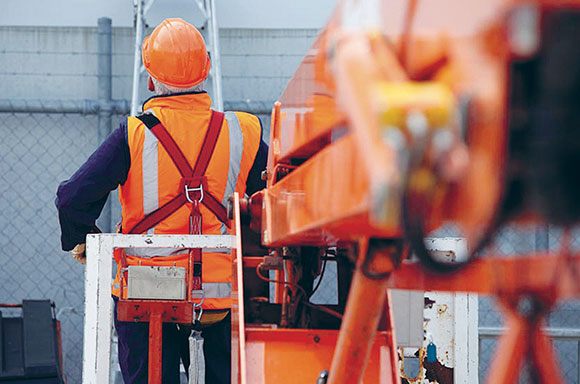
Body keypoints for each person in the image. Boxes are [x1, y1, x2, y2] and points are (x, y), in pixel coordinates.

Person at [56, 18, 267, 384]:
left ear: (151, 79)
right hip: (219, 301)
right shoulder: (242, 132)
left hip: (145, 296)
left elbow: (72, 199)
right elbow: (278, 196)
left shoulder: (134, 135)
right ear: (207, 70)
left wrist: (86, 239)